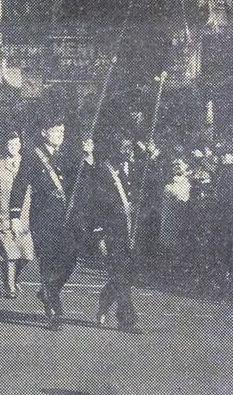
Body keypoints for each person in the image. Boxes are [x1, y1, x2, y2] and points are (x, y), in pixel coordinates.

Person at [9, 115, 87, 330]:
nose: (60, 136)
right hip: (43, 216)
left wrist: (87, 159)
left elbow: (80, 180)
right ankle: (53, 311)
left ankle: (48, 291)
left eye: (62, 132)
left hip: (66, 216)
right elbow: (19, 186)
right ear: (44, 132)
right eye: (55, 131)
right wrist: (15, 216)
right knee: (49, 260)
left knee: (70, 258)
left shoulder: (68, 154)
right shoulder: (32, 155)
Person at [90, 135, 144, 334]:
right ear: (113, 150)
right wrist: (100, 235)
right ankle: (126, 318)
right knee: (120, 275)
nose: (127, 152)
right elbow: (96, 206)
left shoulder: (125, 172)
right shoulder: (101, 173)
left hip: (129, 232)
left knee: (124, 276)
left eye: (129, 147)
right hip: (111, 233)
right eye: (123, 147)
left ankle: (104, 301)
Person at [0, 132, 34, 298]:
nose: (14, 147)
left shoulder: (28, 165)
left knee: (27, 255)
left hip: (24, 218)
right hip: (4, 217)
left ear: (20, 145)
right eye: (10, 144)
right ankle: (10, 288)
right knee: (10, 254)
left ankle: (13, 277)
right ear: (5, 146)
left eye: (16, 144)